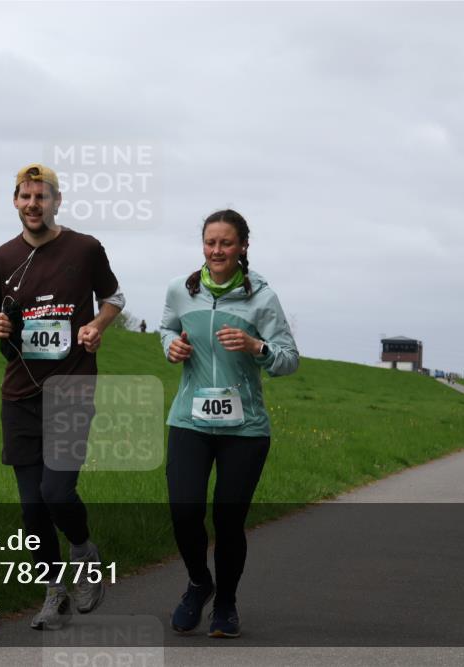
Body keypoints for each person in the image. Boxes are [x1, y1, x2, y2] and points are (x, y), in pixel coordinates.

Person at [0, 163, 124, 630]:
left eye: (42, 196)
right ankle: (53, 590)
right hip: (19, 394)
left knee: (57, 491)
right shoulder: (0, 258)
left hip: (72, 388)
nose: (33, 204)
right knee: (31, 505)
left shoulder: (85, 248)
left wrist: (97, 327)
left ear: (57, 201)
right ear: (14, 202)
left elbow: (114, 297)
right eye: (25, 196)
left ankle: (82, 550)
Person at [159, 209, 299, 638]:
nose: (216, 250)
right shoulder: (181, 291)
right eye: (210, 242)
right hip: (190, 421)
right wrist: (171, 347)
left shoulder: (262, 298)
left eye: (225, 243)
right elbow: (166, 328)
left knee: (228, 520)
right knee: (184, 511)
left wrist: (257, 346)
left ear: (242, 248)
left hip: (245, 429)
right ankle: (200, 583)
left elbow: (289, 360)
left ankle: (226, 603)